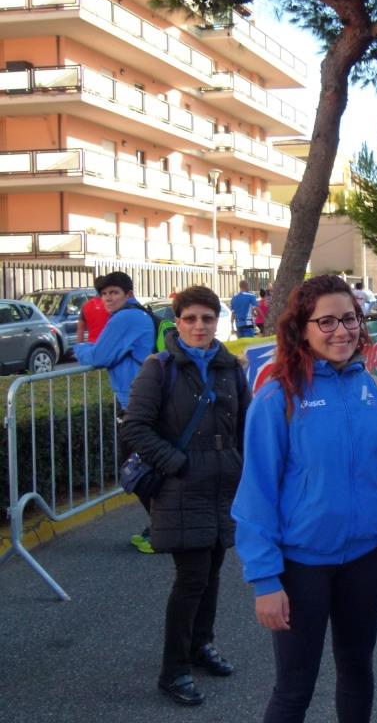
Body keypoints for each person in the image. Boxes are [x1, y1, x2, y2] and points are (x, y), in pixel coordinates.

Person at [231, 274, 377, 723]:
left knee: (357, 670)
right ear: (302, 328)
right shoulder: (277, 397)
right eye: (327, 321)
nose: (342, 331)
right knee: (294, 688)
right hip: (302, 566)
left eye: (350, 319)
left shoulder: (375, 390)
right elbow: (256, 494)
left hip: (365, 559)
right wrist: (265, 580)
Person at [121, 286, 250, 707]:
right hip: (181, 487)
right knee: (192, 577)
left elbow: (245, 426)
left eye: (207, 319)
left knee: (212, 570)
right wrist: (177, 463)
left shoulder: (230, 368)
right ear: (176, 323)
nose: (199, 326)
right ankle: (173, 670)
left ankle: (200, 644)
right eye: (190, 318)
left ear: (217, 322)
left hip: (223, 486)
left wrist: (241, 467)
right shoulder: (159, 368)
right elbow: (135, 427)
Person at [73, 271, 158, 554]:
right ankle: (161, 527)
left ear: (128, 294)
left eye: (114, 292)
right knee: (144, 467)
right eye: (104, 294)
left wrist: (80, 348)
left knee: (135, 470)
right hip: (143, 400)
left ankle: (162, 530)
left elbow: (100, 357)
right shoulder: (137, 314)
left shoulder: (126, 318)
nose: (108, 298)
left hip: (136, 404)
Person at [76, 275, 111, 343]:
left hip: (92, 344)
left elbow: (80, 330)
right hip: (109, 344)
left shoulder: (86, 306)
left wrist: (79, 347)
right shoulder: (111, 304)